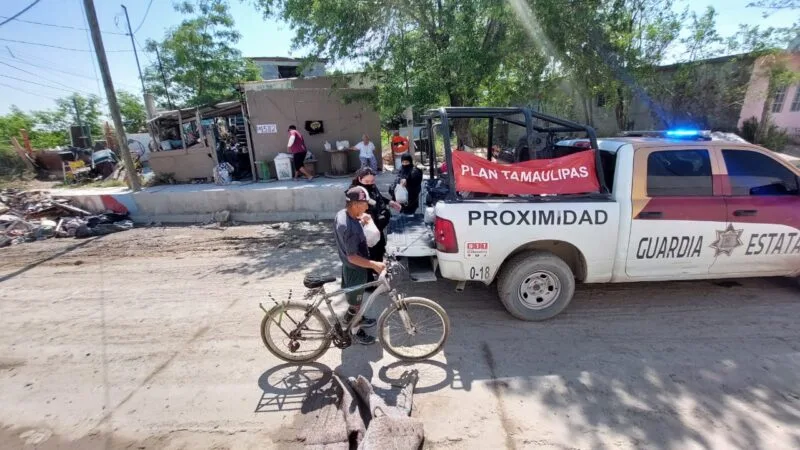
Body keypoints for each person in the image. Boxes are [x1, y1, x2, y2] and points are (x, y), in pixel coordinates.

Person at [334, 186, 386, 345]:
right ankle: (354, 330)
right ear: (355, 204)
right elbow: (353, 257)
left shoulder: (343, 214)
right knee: (355, 303)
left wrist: (360, 219)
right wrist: (374, 265)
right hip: (355, 269)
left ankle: (359, 318)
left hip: (353, 268)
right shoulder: (350, 229)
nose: (367, 207)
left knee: (357, 299)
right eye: (364, 204)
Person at [350, 167, 401, 271]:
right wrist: (363, 217)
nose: (370, 183)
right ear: (360, 179)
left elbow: (378, 198)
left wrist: (390, 202)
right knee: (369, 252)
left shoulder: (372, 186)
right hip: (367, 229)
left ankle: (378, 270)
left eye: (372, 181)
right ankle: (370, 279)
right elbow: (353, 209)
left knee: (380, 248)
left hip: (378, 227)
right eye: (367, 181)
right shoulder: (356, 191)